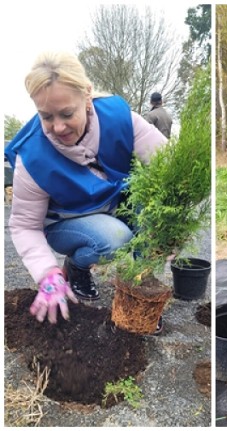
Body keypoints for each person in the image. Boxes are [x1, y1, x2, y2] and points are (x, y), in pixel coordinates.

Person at [5, 51, 168, 325]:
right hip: (68, 222)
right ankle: (77, 266)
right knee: (116, 238)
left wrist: (167, 230)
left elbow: (168, 168)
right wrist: (47, 273)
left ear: (87, 96)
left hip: (113, 202)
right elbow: (24, 226)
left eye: (67, 113)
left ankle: (138, 289)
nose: (57, 127)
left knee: (152, 202)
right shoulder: (32, 157)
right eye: (46, 116)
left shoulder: (119, 118)